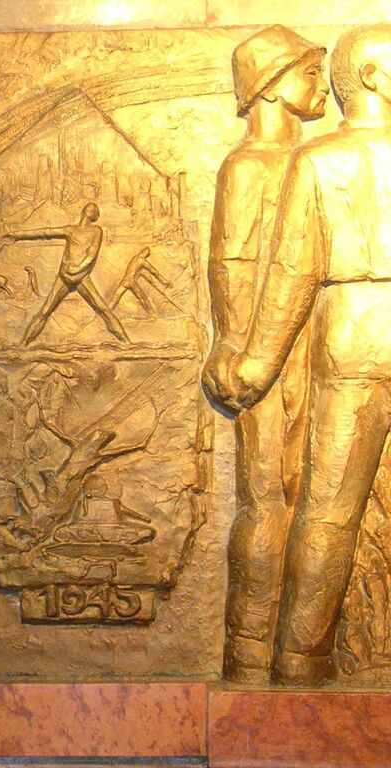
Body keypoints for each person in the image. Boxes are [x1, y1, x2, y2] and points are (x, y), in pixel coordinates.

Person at [225, 24, 391, 686]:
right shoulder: (312, 162)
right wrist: (261, 364)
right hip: (351, 337)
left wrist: (257, 361)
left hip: (350, 335)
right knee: (327, 512)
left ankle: (299, 659)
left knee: (329, 511)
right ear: (372, 77)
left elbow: (293, 275)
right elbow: (290, 271)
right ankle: (297, 657)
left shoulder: (318, 161)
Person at [201, 25, 328, 683]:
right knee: (266, 499)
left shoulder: (312, 159)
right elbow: (230, 258)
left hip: (317, 348)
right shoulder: (248, 165)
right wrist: (235, 346)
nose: (322, 86)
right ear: (272, 85)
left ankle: (294, 649)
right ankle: (248, 648)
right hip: (265, 353)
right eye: (310, 72)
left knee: (309, 497)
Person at [1, 202, 131, 345]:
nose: (92, 210)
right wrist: (17, 235)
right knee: (45, 311)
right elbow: (46, 232)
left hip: (80, 277)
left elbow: (92, 254)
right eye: (90, 208)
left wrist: (77, 269)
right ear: (84, 211)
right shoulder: (70, 229)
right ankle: (22, 345)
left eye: (95, 210)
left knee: (103, 309)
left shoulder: (96, 231)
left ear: (95, 216)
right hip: (64, 277)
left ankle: (126, 342)